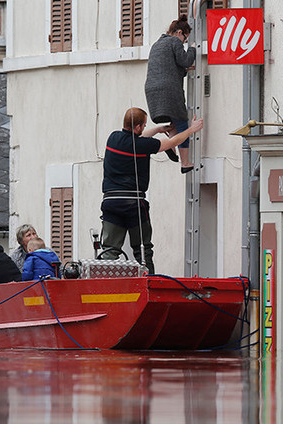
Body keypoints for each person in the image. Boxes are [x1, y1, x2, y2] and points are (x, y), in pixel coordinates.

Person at [100, 107, 203, 274]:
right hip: (134, 204)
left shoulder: (113, 138)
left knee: (109, 251)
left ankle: (102, 283)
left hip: (110, 202)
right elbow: (171, 143)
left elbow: (138, 140)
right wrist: (191, 129)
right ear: (139, 127)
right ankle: (149, 281)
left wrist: (158, 129)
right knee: (143, 250)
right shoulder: (142, 145)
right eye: (144, 125)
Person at [144, 14, 197, 173]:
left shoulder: (156, 44)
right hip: (169, 89)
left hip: (152, 90)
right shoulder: (174, 41)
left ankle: (171, 147)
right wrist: (193, 48)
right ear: (179, 32)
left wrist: (184, 70)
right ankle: (185, 163)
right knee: (181, 123)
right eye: (185, 39)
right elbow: (185, 60)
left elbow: (171, 67)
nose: (184, 43)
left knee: (174, 122)